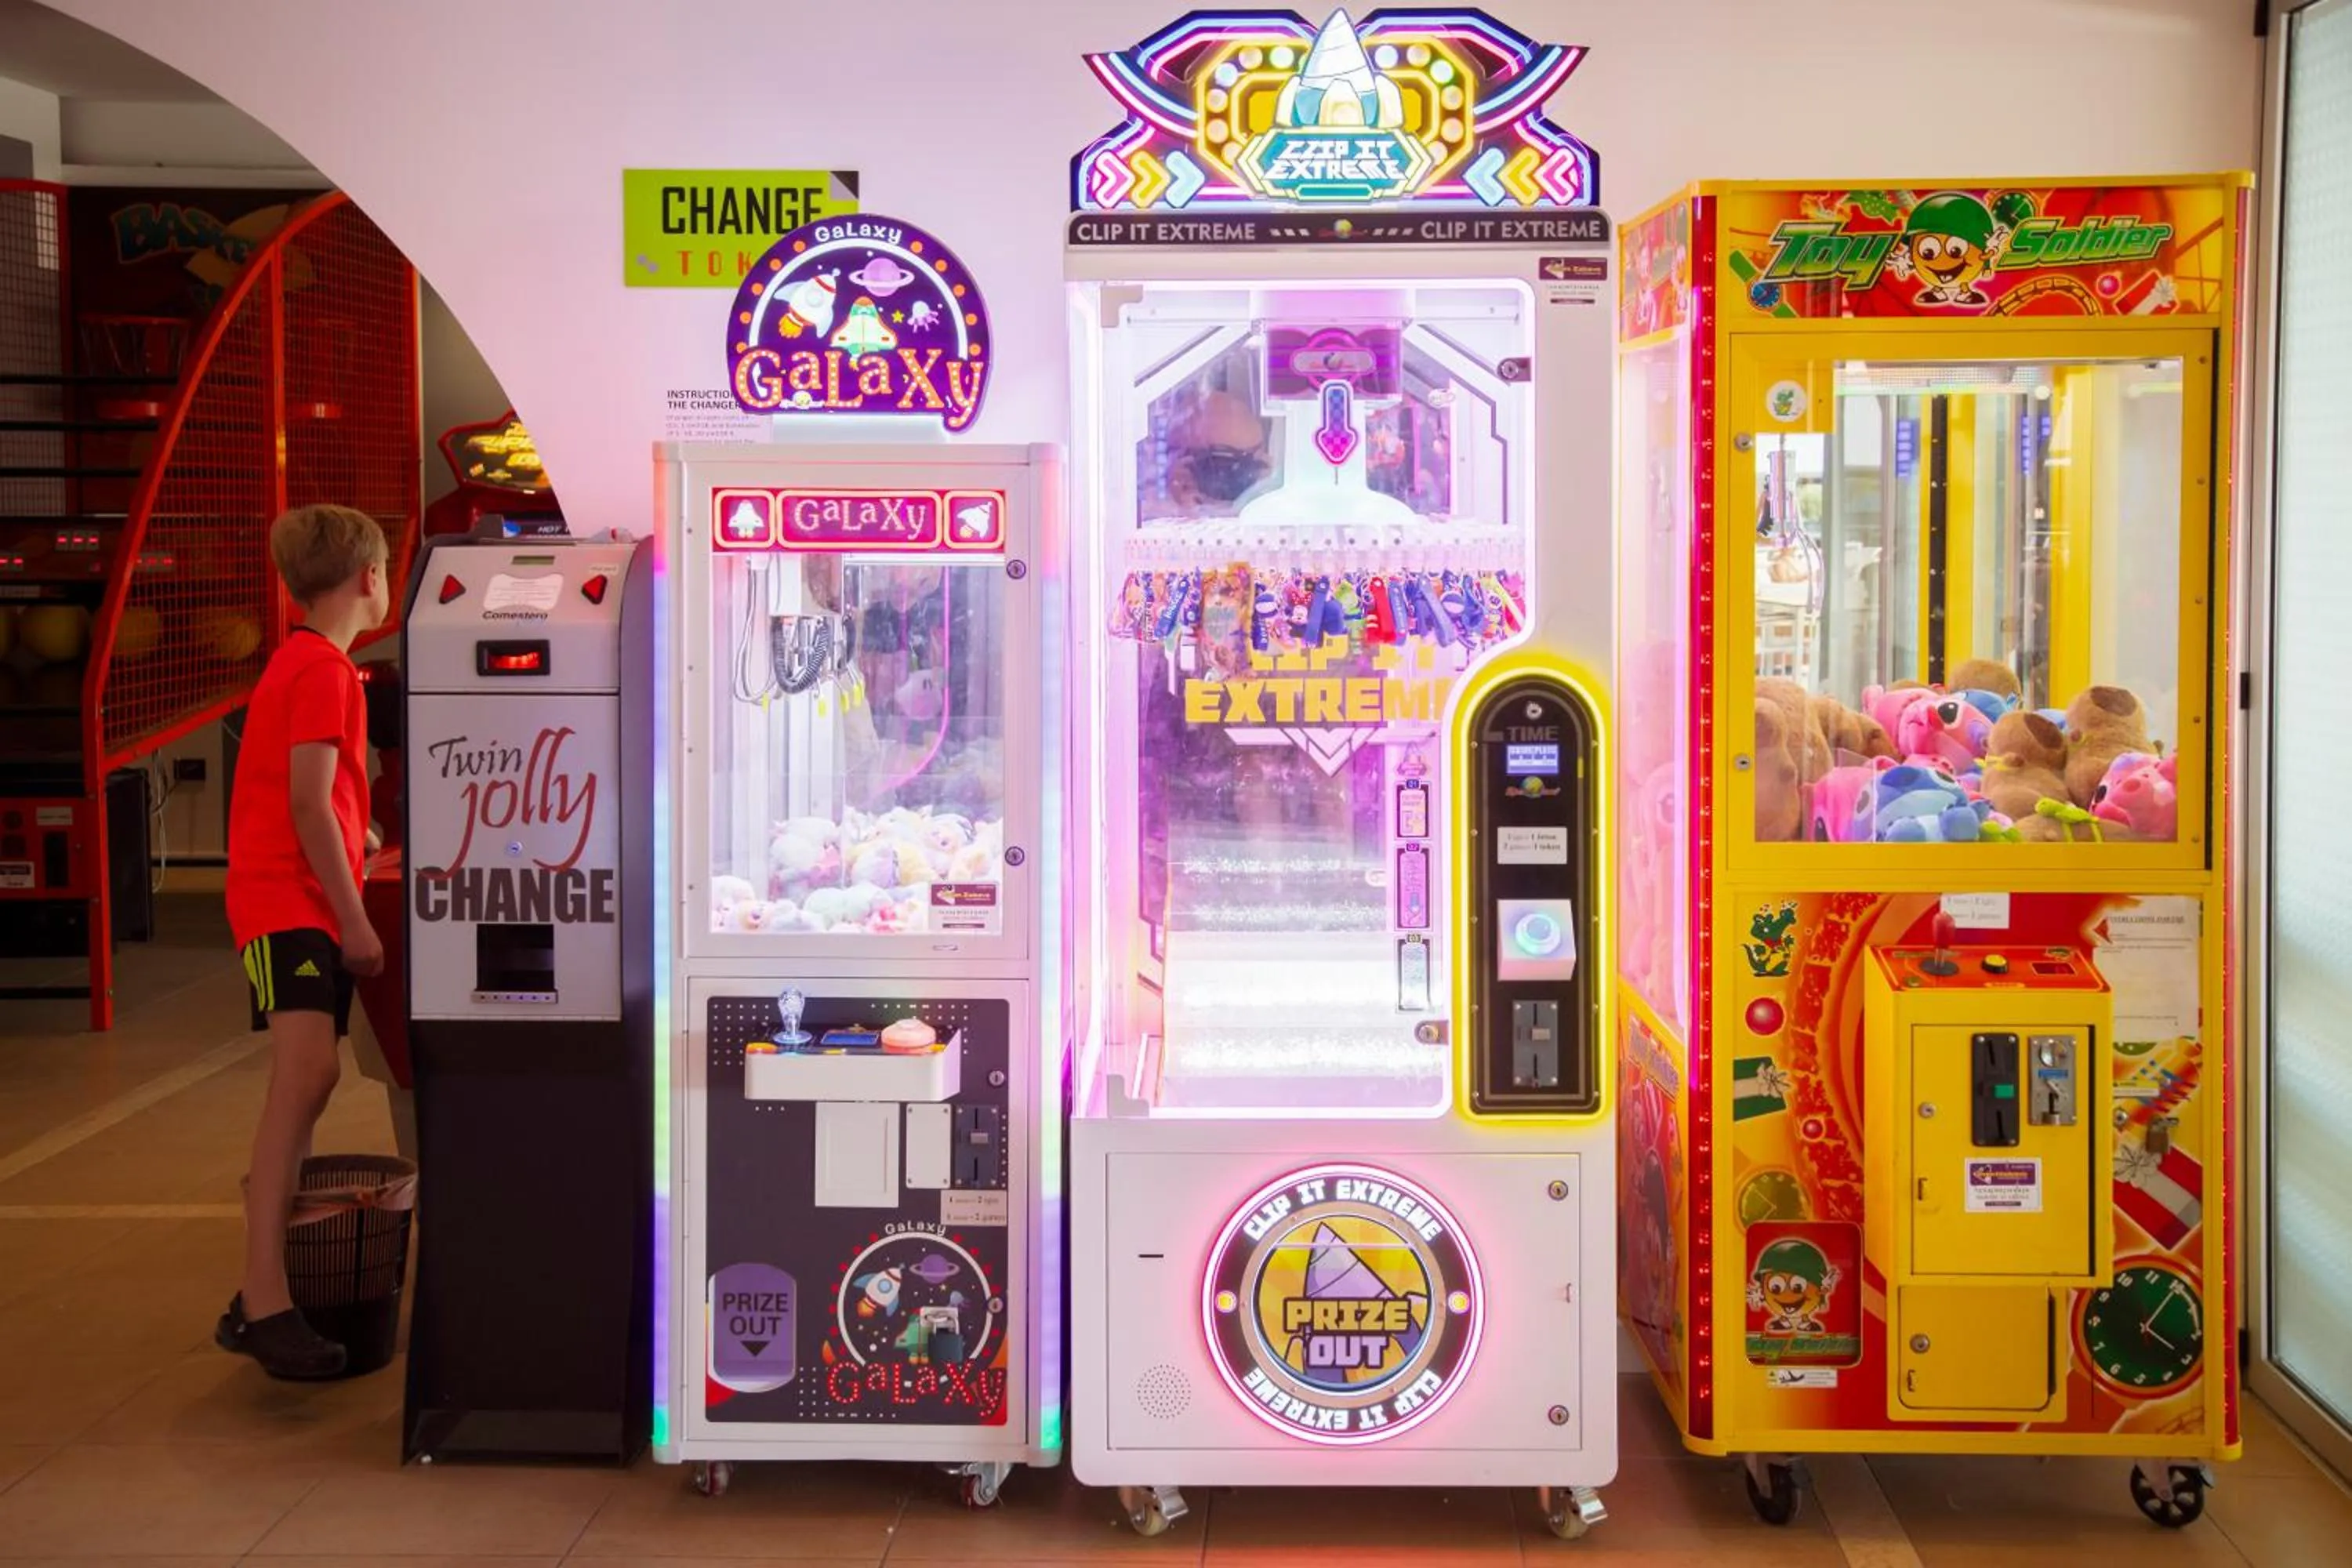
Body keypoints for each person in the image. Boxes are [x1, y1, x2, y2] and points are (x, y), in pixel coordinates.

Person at [217, 503, 391, 1379]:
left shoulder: (304, 662)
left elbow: (312, 795)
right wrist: (354, 918)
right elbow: (305, 801)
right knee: (306, 1074)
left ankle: (261, 1286)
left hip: (294, 892)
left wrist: (355, 837)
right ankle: (263, 1297)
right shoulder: (324, 670)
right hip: (288, 903)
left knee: (311, 1076)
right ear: (370, 577)